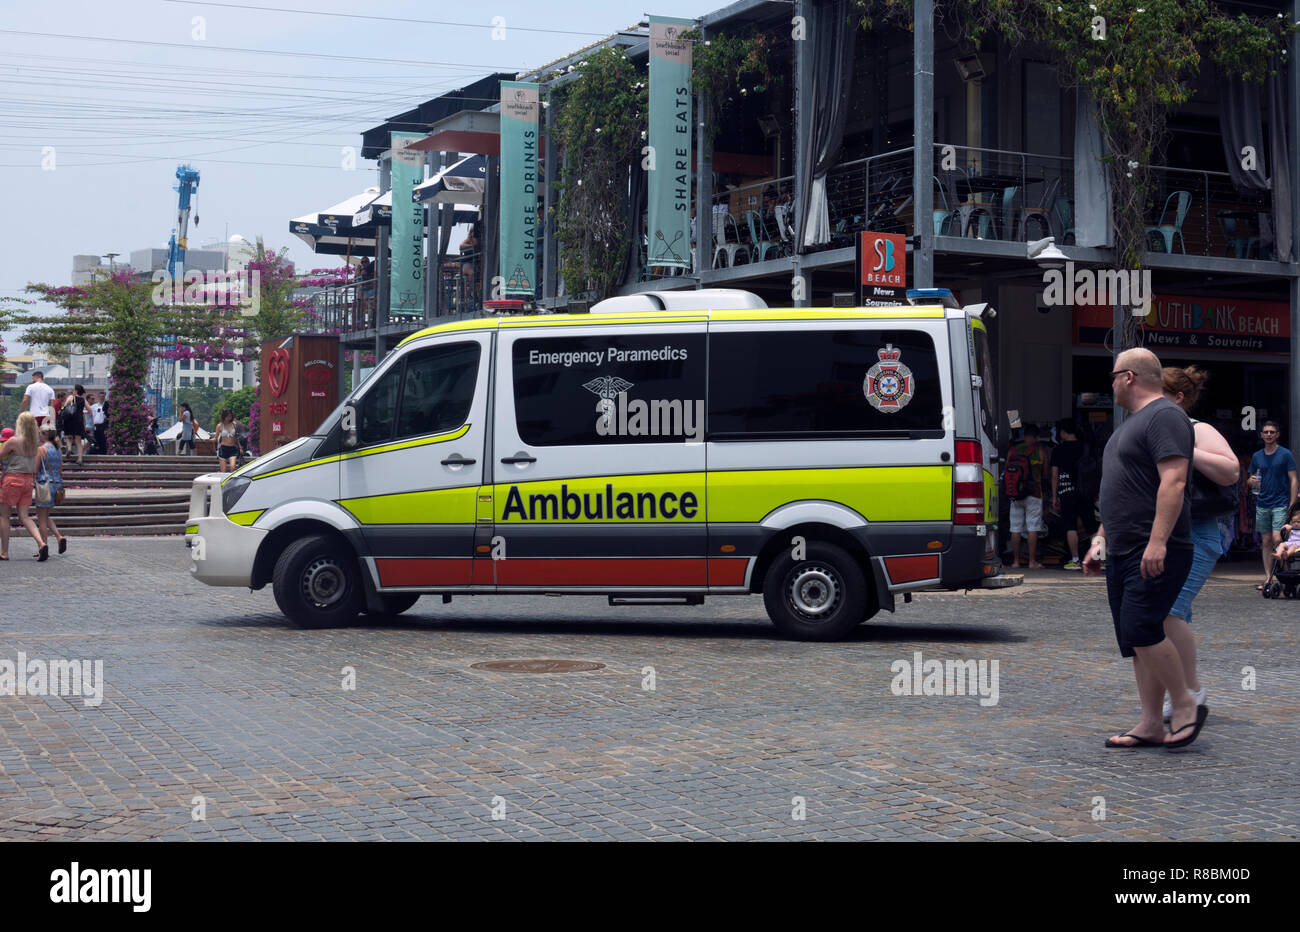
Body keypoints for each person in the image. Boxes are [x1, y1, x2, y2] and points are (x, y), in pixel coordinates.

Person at [1083, 348, 1204, 750]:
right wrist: (1101, 538)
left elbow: (1174, 482)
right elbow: (1121, 490)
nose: (1112, 383)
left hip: (1153, 548)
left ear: (1129, 376)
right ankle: (1151, 723)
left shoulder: (1165, 416)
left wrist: (1157, 542)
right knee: (1136, 638)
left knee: (1141, 628)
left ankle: (1185, 704)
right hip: (1123, 548)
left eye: (1114, 375)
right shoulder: (1130, 426)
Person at [1159, 365, 1239, 723]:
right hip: (1168, 535)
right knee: (1177, 613)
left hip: (1200, 533)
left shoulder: (1197, 429)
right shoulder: (1153, 430)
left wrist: (1187, 447)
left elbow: (1231, 471)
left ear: (1178, 398)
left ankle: (1189, 691)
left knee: (1169, 611)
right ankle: (1177, 692)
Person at [1247, 420, 1298, 588]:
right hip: (1262, 503)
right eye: (1266, 432)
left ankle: (1285, 576)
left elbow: (1293, 480)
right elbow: (1249, 479)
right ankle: (1269, 578)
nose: (1269, 435)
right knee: (1266, 541)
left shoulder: (1285, 454)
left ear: (1277, 435)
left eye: (1272, 432)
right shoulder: (1257, 456)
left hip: (1280, 503)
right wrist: (1250, 481)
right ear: (1261, 435)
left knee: (1278, 538)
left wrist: (1292, 505)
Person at [0, 412, 49, 561]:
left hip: (12, 479)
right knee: (24, 516)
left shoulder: (13, 441)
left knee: (4, 516)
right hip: (28, 482)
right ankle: (41, 543)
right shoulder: (36, 443)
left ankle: (4, 552)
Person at [1050, 418, 1098, 569]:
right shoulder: (1086, 448)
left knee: (1070, 526)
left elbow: (1054, 475)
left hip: (1067, 492)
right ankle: (1100, 559)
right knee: (1092, 527)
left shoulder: (1059, 450)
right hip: (1086, 491)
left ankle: (1076, 560)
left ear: (1063, 433)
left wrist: (1054, 496)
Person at [1006, 423, 1050, 569]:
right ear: (1036, 437)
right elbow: (1045, 474)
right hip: (1034, 493)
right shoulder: (1041, 451)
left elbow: (1006, 471)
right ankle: (1032, 562)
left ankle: (1016, 561)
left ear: (1024, 436)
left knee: (1015, 528)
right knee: (1032, 527)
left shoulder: (1013, 450)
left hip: (1015, 493)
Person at [34, 422, 66, 555]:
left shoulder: (41, 449)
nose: (39, 435)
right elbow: (60, 469)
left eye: (40, 433)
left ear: (45, 435)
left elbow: (35, 470)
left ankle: (43, 547)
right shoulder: (58, 449)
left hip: (44, 484)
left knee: (41, 519)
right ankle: (59, 536)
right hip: (56, 484)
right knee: (46, 516)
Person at [62, 384, 88, 466]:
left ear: (76, 390)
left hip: (69, 420)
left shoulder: (70, 397)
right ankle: (80, 458)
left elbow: (65, 408)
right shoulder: (83, 400)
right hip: (79, 421)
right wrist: (83, 412)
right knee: (78, 441)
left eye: (73, 389)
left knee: (69, 437)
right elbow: (90, 410)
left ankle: (69, 449)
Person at [1270, 502, 1300, 568]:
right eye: (1294, 522)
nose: (1296, 524)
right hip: (1290, 542)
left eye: (1298, 522)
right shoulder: (1291, 527)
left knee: (1293, 547)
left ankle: (1287, 554)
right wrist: (1286, 527)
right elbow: (1283, 529)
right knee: (1281, 544)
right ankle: (1278, 554)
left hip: (1298, 545)